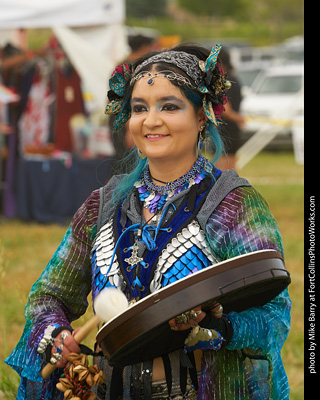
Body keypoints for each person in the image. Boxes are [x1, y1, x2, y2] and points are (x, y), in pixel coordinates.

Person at [5, 43, 291, 400]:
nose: (151, 120)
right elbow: (49, 295)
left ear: (202, 115)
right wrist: (56, 333)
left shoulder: (233, 204)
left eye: (169, 106)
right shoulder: (103, 205)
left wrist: (217, 327)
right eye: (139, 108)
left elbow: (274, 313)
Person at [215, 47, 245, 171]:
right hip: (232, 129)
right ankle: (232, 190)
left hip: (225, 129)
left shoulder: (223, 82)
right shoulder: (235, 80)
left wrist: (238, 118)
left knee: (221, 169)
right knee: (231, 168)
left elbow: (225, 109)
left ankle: (224, 190)